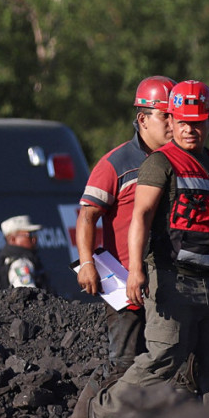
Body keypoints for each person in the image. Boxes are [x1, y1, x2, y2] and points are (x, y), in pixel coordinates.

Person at [88, 80, 209, 418]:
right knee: (164, 355)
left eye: (199, 121)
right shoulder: (160, 163)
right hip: (172, 278)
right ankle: (104, 416)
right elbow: (140, 217)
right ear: (171, 122)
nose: (191, 129)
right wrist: (136, 271)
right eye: (184, 122)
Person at [76, 75, 175, 376]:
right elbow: (87, 216)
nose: (173, 124)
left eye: (175, 116)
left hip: (167, 283)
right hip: (125, 285)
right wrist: (86, 263)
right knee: (124, 367)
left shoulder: (178, 162)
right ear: (143, 119)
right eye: (164, 116)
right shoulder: (115, 164)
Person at [0, 215, 48, 289]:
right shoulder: (20, 264)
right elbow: (28, 294)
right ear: (13, 239)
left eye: (35, 234)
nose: (34, 239)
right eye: (29, 235)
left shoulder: (8, 261)